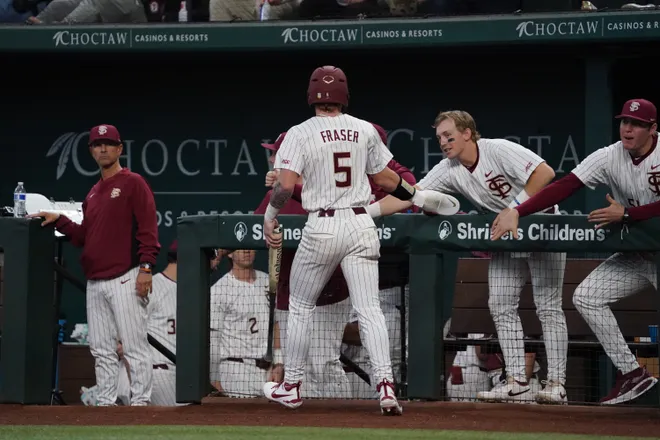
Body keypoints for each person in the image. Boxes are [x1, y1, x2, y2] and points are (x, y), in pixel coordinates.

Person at [260, 65, 455, 415]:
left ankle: (291, 386)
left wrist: (269, 216)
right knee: (369, 309)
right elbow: (386, 177)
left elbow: (285, 186)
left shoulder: (299, 132)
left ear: (311, 96)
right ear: (344, 96)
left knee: (301, 306)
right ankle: (385, 387)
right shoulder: (364, 129)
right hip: (361, 224)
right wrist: (416, 194)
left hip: (323, 225)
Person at [366, 110, 569, 404]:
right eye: (439, 138)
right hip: (506, 238)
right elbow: (412, 194)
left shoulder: (497, 149)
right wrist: (365, 213)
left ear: (467, 133)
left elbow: (545, 173)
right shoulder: (449, 168)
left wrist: (514, 208)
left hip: (541, 228)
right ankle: (515, 381)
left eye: (449, 136)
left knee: (548, 307)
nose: (444, 142)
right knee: (499, 304)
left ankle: (557, 384)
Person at [491, 98, 660, 405]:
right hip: (639, 255)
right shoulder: (610, 156)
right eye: (624, 122)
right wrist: (519, 210)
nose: (628, 128)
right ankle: (632, 373)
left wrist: (627, 215)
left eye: (636, 124)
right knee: (586, 297)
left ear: (652, 129)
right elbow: (566, 185)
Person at [29, 124, 160, 406]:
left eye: (109, 144)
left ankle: (140, 404)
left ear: (120, 148)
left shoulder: (133, 182)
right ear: (91, 151)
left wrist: (146, 268)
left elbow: (148, 229)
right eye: (97, 145)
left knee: (135, 347)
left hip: (125, 276)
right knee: (101, 350)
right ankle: (105, 403)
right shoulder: (93, 193)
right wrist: (60, 219)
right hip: (95, 280)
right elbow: (84, 236)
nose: (103, 149)